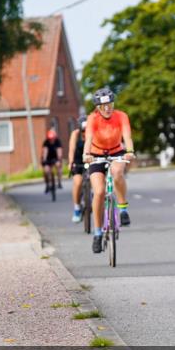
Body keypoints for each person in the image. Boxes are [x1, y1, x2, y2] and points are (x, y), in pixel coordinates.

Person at [83, 87, 135, 253]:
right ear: (97, 107)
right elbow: (89, 138)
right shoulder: (92, 119)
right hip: (95, 154)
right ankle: (98, 233)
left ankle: (123, 208)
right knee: (98, 192)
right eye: (103, 106)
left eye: (109, 104)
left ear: (113, 103)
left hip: (116, 152)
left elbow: (127, 136)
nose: (107, 108)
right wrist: (86, 154)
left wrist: (130, 151)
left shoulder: (121, 116)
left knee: (117, 172)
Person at [67, 114, 88, 223]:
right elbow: (71, 149)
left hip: (90, 159)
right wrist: (71, 162)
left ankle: (92, 196)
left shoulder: (93, 134)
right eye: (83, 130)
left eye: (87, 130)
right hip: (78, 161)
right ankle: (77, 208)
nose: (85, 133)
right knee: (78, 182)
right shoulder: (75, 134)